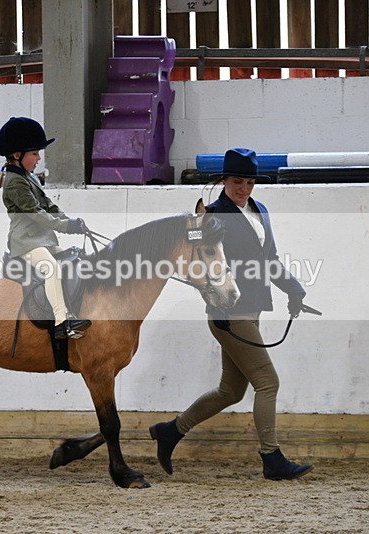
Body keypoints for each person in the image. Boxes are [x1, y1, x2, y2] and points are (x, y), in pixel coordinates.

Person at [149, 147, 313, 480]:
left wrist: (293, 289)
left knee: (231, 391)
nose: (244, 188)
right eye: (238, 181)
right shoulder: (212, 213)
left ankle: (171, 431)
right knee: (268, 383)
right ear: (224, 180)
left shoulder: (260, 211)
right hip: (229, 312)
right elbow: (194, 249)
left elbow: (270, 260)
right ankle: (271, 458)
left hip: (253, 310)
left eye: (250, 181)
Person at [0, 116, 91, 340]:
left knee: (76, 258)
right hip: (26, 243)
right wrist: (65, 226)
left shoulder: (29, 177)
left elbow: (48, 205)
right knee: (52, 269)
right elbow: (37, 215)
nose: (39, 158)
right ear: (17, 155)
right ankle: (62, 322)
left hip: (43, 240)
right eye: (34, 154)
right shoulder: (14, 182)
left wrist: (71, 221)